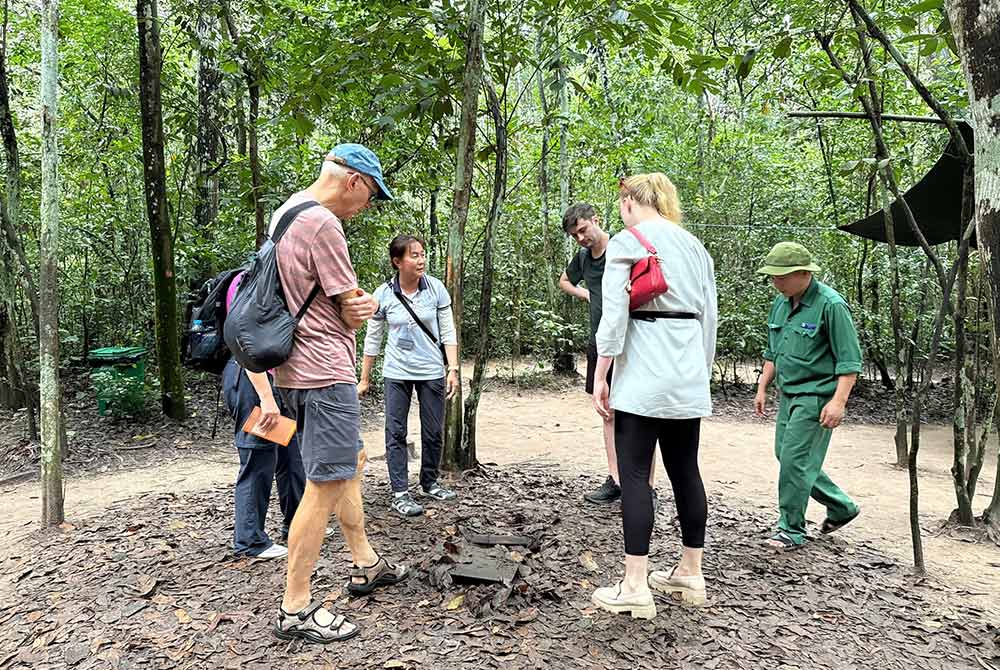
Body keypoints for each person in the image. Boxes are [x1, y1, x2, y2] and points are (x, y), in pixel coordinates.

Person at [271, 144, 408, 644]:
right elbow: (351, 308)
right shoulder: (323, 223)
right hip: (325, 373)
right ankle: (295, 608)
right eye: (371, 194)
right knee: (325, 483)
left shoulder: (286, 211)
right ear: (353, 181)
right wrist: (365, 304)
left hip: (292, 371)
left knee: (349, 462)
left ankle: (365, 561)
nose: (367, 205)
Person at [590, 173, 717, 619]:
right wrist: (700, 372)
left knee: (636, 475)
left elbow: (614, 316)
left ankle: (634, 586)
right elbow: (709, 317)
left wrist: (602, 373)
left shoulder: (628, 242)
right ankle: (690, 572)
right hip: (687, 372)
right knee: (685, 470)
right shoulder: (695, 246)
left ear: (629, 202)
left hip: (644, 373)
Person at [753, 241, 862, 551]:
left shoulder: (831, 305)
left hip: (816, 396)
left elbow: (849, 361)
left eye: (782, 276)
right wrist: (762, 386)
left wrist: (838, 402)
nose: (776, 282)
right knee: (786, 456)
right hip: (788, 395)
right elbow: (773, 352)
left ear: (804, 273)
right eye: (773, 277)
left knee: (795, 461)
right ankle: (841, 506)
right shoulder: (781, 303)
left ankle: (791, 530)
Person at [558, 203, 657, 507]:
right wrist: (587, 294)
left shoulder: (623, 247)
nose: (580, 238)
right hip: (600, 343)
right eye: (575, 235)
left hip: (633, 342)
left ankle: (647, 487)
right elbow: (564, 280)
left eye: (583, 230)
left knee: (641, 416)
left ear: (595, 220)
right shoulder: (583, 258)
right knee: (607, 411)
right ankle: (616, 480)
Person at [359, 235, 460, 517]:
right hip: (396, 372)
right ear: (397, 261)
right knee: (396, 432)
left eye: (422, 254)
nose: (421, 260)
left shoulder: (436, 288)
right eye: (414, 255)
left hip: (431, 371)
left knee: (433, 431)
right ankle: (400, 493)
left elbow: (448, 331)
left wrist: (452, 369)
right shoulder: (383, 294)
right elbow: (373, 338)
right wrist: (365, 378)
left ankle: (429, 482)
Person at [221, 271, 304, 559]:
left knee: (291, 456)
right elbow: (244, 344)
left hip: (275, 381)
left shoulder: (275, 281)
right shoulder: (250, 284)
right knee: (258, 458)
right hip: (253, 382)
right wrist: (266, 398)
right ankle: (249, 540)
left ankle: (297, 523)